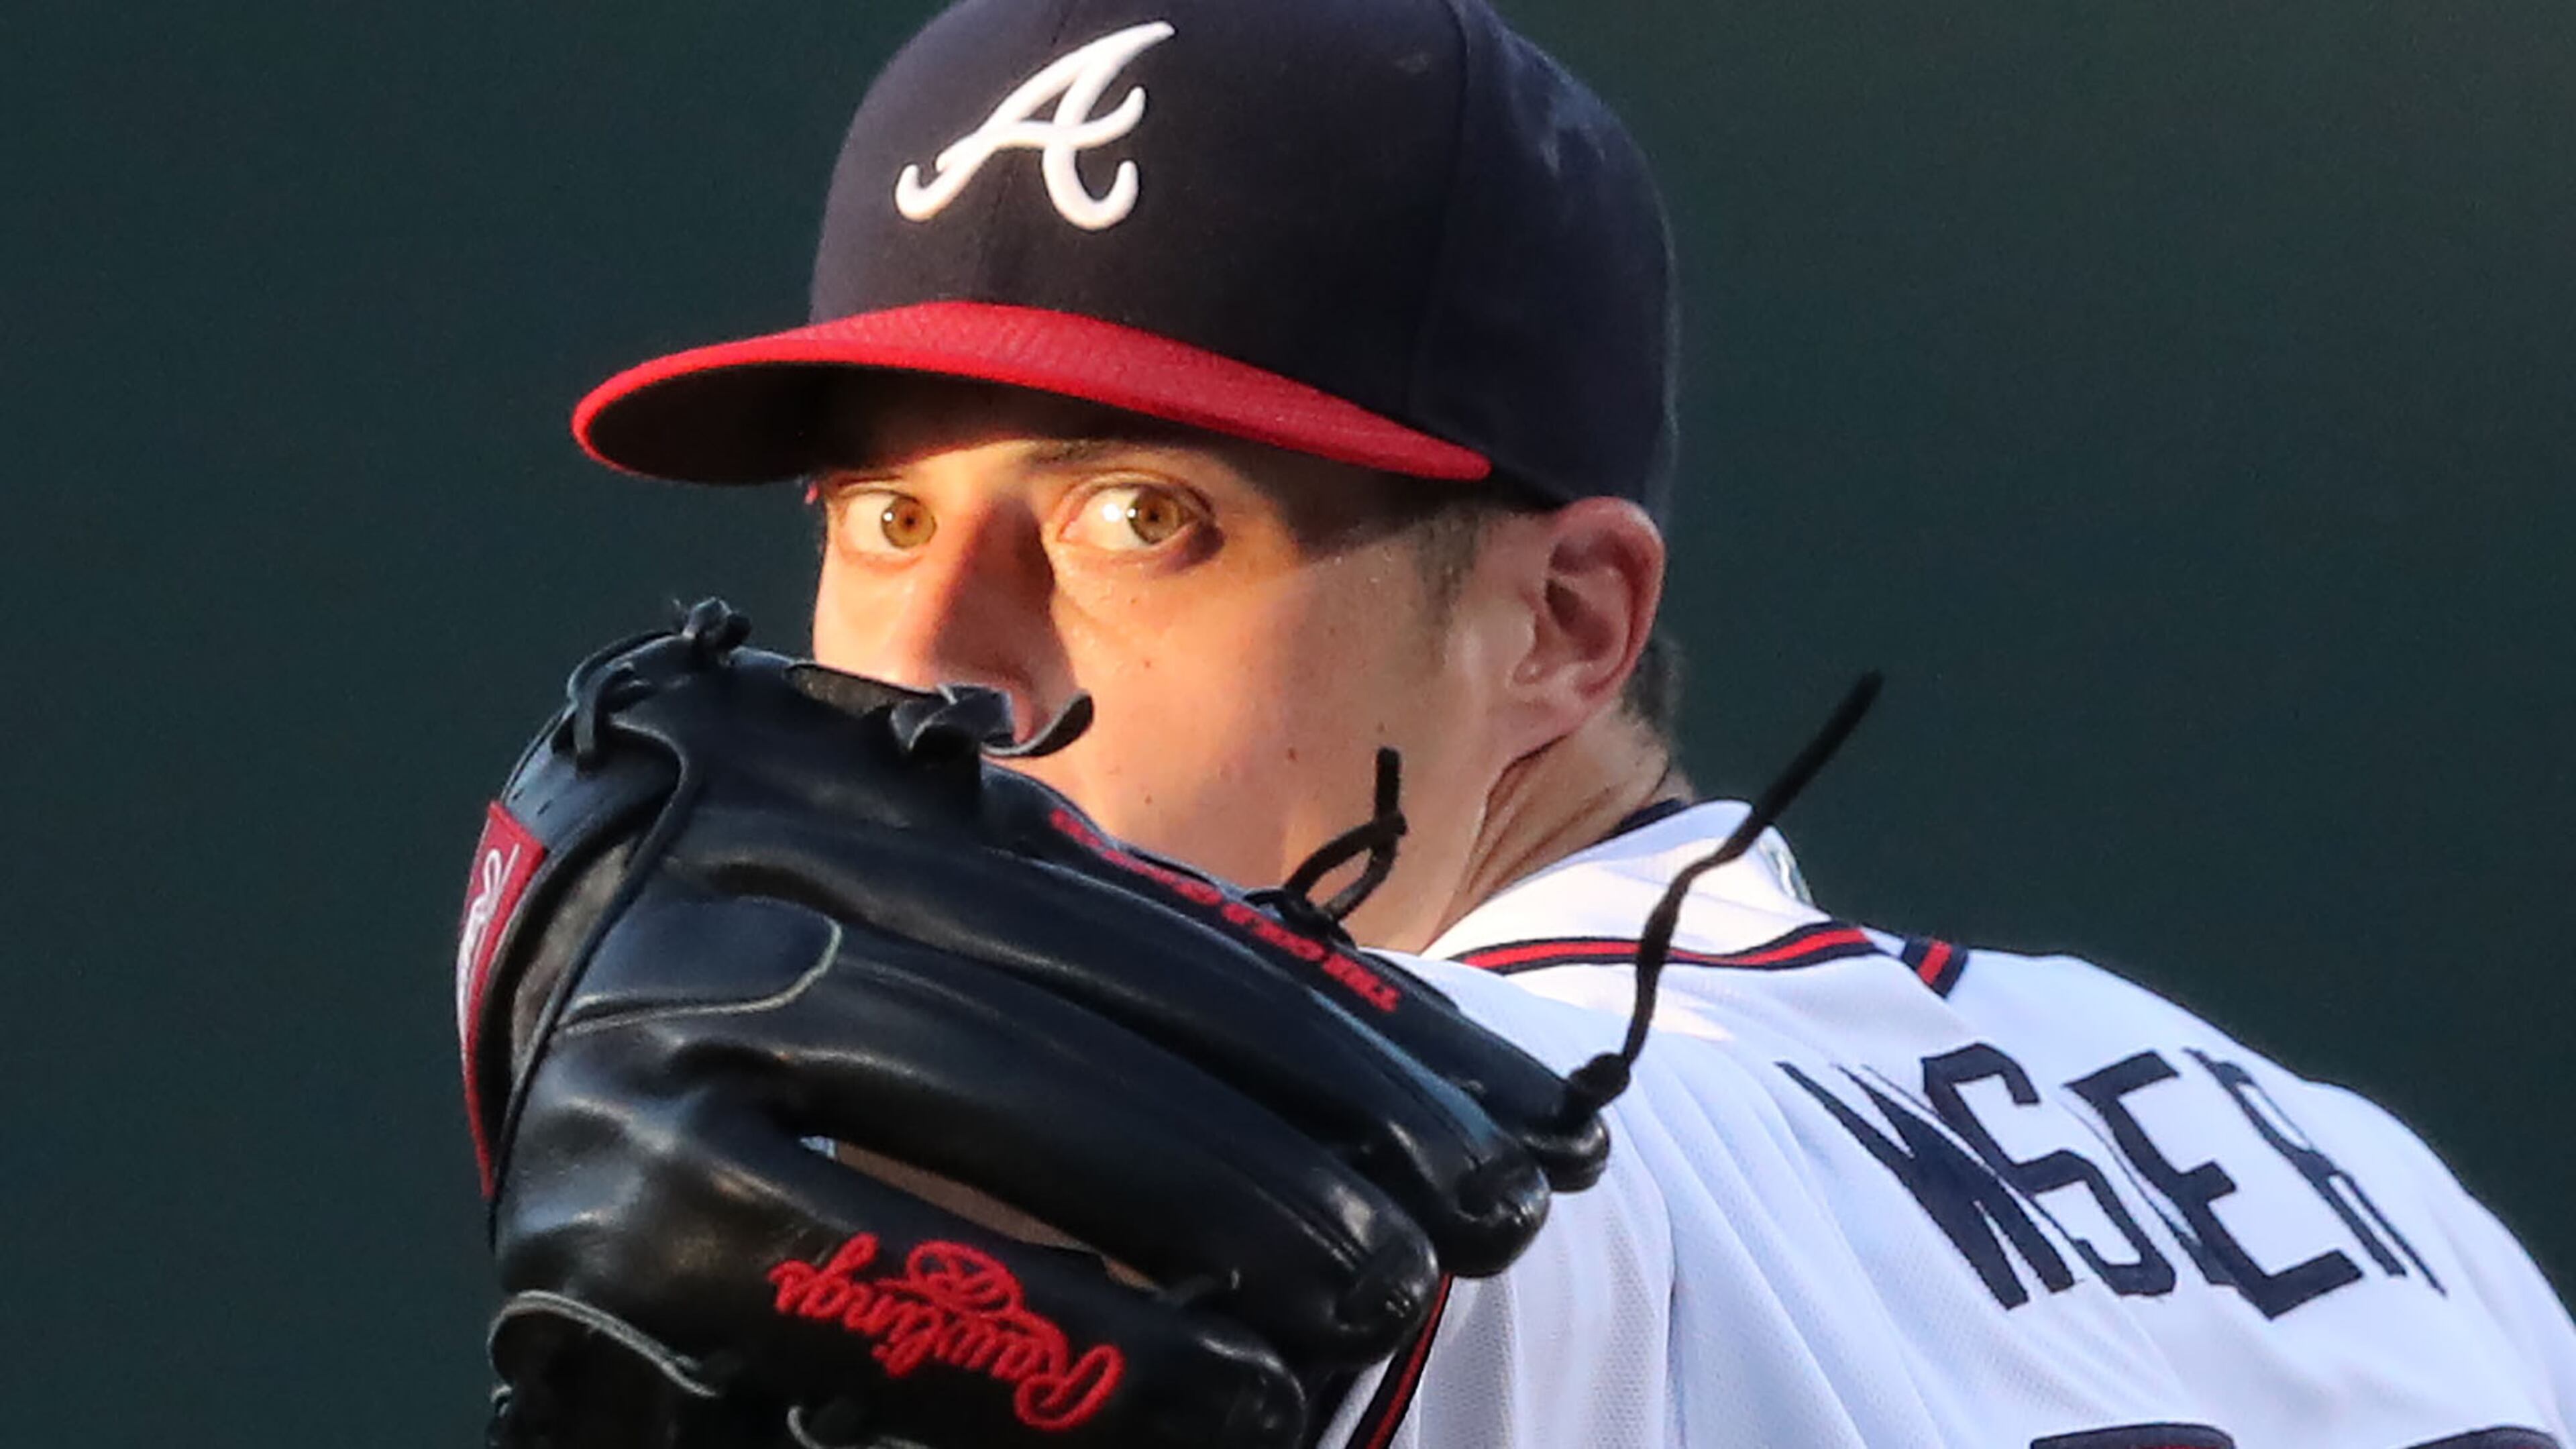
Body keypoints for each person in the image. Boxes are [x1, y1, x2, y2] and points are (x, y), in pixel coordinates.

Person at [557, 0, 2576, 1442]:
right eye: (883, 516)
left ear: (1563, 622)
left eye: (1135, 516)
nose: (928, 662)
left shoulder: (1415, 1208)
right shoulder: (2354, 1183)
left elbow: (1439, 1192)